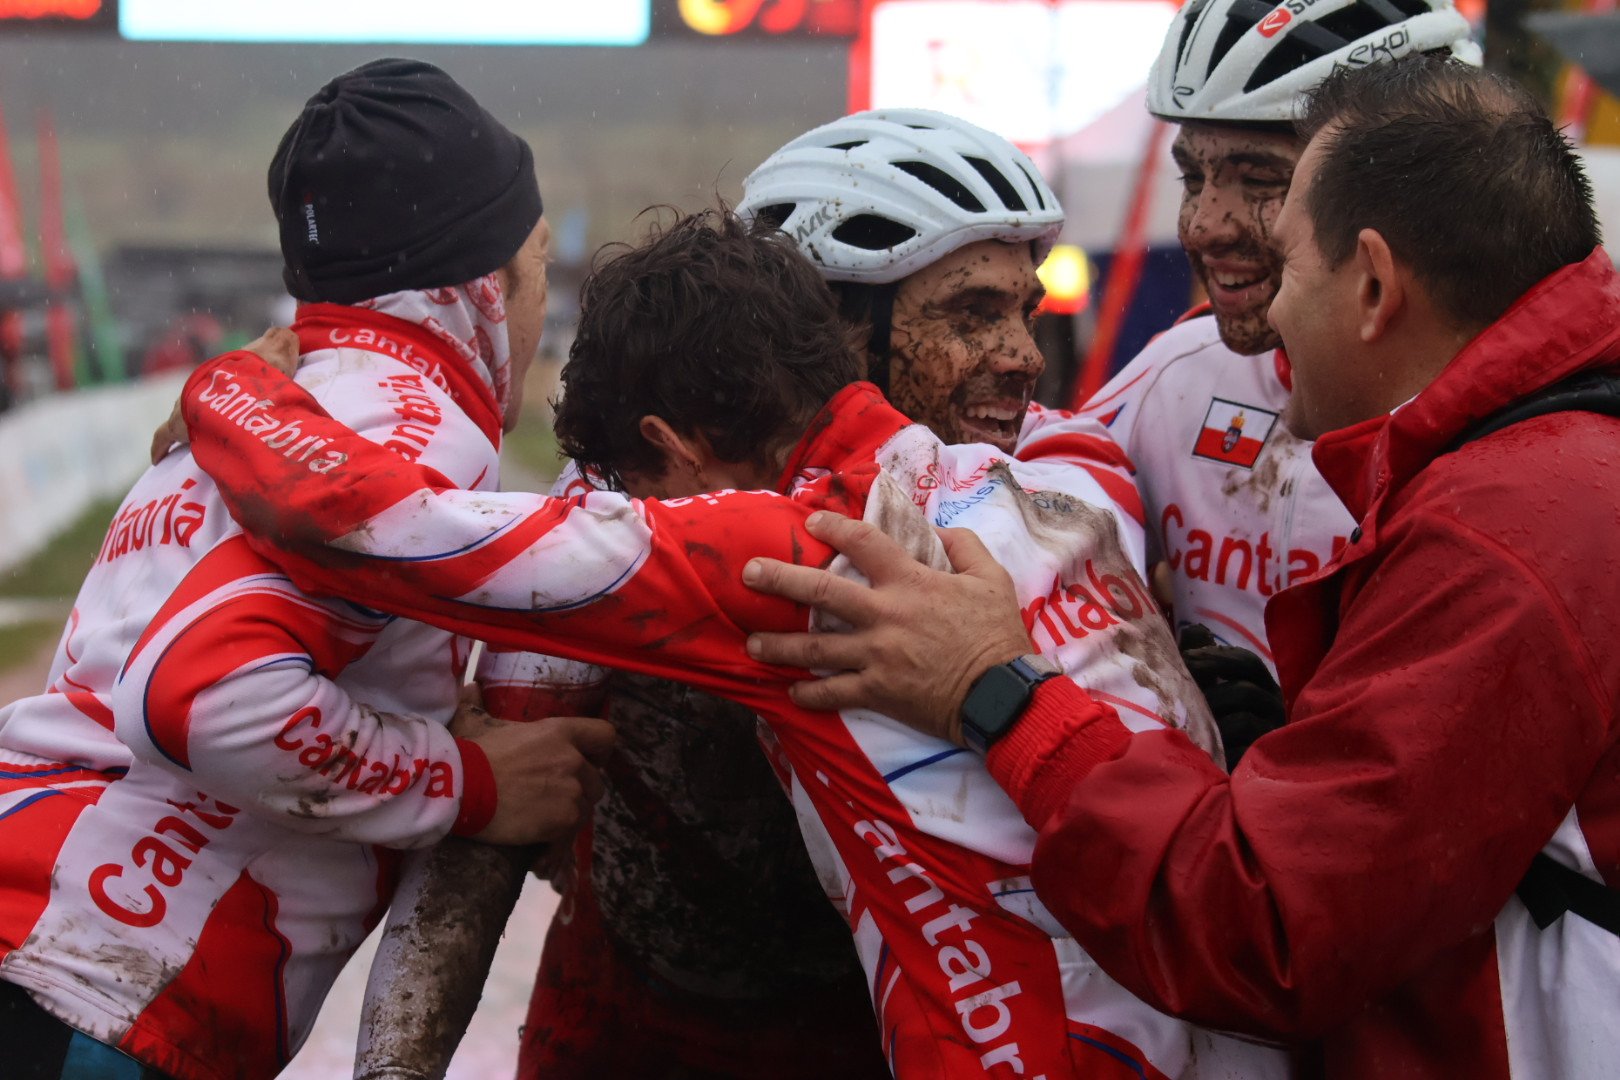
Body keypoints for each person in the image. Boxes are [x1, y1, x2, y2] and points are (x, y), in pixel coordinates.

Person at [172, 206, 1287, 1079]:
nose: (638, 514)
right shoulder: (1057, 484)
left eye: (638, 490)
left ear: (673, 449)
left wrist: (229, 387)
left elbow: (375, 528)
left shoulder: (780, 560)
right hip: (1238, 1024)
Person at [741, 55, 1620, 1079]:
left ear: (1375, 284)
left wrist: (1000, 693)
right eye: (975, 314)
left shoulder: (1508, 526)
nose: (1259, 320)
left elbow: (1271, 926)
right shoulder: (1540, 472)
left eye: (1287, 264)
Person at [0, 59, 610, 1080]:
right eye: (540, 263)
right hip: (100, 993)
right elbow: (203, 696)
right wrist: (468, 783)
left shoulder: (273, 391)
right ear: (486, 282)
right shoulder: (417, 428)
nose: (542, 303)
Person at [500, 108, 1101, 1080]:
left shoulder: (1055, 508)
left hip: (871, 1030)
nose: (1025, 354)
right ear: (836, 333)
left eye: (1025, 312)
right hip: (627, 1021)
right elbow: (489, 834)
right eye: (971, 313)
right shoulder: (632, 496)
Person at [1076, 0, 1475, 702]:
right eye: (1193, 177)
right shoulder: (1183, 375)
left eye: (1260, 180)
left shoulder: (1521, 427)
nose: (1202, 226)